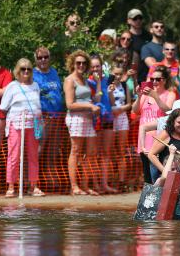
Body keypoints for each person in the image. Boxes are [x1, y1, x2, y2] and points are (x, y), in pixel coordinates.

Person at [0, 58, 45, 198]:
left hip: (34, 124)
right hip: (16, 124)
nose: (26, 71)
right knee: (14, 156)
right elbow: (3, 107)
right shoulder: (12, 86)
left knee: (33, 156)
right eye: (23, 69)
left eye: (28, 69)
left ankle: (33, 186)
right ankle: (11, 186)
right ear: (17, 71)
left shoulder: (36, 85)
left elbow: (38, 106)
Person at [63, 50, 101, 196]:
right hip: (76, 118)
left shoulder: (85, 80)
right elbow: (70, 104)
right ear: (73, 63)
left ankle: (86, 186)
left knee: (91, 153)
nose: (81, 65)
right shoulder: (69, 80)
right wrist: (90, 106)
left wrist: (98, 84)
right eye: (78, 62)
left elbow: (96, 99)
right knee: (76, 151)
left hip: (88, 119)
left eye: (84, 63)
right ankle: (74, 186)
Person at [133, 65, 176, 183]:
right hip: (144, 138)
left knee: (159, 173)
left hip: (160, 138)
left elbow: (168, 111)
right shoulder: (145, 95)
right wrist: (139, 95)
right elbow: (135, 110)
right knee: (147, 173)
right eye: (152, 79)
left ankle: (161, 198)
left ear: (165, 80)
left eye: (158, 79)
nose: (155, 82)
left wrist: (156, 97)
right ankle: (149, 199)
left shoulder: (169, 94)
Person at [148, 107, 180, 181]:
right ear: (173, 122)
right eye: (179, 122)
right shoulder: (166, 134)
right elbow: (151, 155)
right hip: (169, 178)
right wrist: (165, 171)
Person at [88, 55, 117, 194]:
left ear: (101, 67)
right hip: (94, 120)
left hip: (108, 118)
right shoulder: (88, 81)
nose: (95, 69)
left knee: (105, 153)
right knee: (93, 153)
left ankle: (104, 184)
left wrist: (111, 92)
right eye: (92, 66)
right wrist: (98, 83)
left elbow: (112, 102)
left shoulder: (108, 80)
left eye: (97, 66)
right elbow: (97, 98)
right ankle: (95, 184)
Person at [32, 46, 64, 167]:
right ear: (36, 59)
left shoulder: (54, 72)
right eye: (40, 57)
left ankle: (48, 178)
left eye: (46, 57)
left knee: (53, 149)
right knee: (38, 147)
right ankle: (32, 179)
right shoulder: (32, 74)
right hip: (40, 118)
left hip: (57, 117)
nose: (43, 60)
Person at [108, 64, 132, 190]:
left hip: (122, 117)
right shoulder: (108, 84)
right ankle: (112, 178)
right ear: (111, 73)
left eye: (119, 74)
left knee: (121, 150)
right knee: (110, 150)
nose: (117, 76)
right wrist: (110, 93)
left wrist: (121, 109)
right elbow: (110, 102)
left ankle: (122, 180)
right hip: (110, 118)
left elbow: (129, 104)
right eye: (115, 74)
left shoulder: (125, 85)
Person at [126, 8, 148, 82]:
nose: (138, 20)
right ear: (128, 21)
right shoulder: (125, 37)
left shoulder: (148, 36)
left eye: (140, 18)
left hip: (147, 77)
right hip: (130, 79)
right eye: (135, 18)